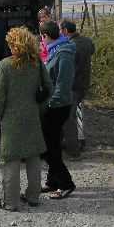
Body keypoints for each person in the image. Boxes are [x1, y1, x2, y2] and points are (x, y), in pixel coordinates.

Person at [0, 27, 53, 211]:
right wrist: (40, 107)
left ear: (15, 44)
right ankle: (33, 196)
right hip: (32, 115)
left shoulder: (5, 65)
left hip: (11, 118)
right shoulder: (37, 63)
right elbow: (49, 88)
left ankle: (11, 202)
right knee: (33, 156)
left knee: (11, 159)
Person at [40, 20, 76, 199]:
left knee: (48, 147)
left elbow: (63, 84)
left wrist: (49, 103)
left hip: (58, 106)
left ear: (45, 35)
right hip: (54, 104)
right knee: (52, 144)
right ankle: (52, 181)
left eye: (42, 37)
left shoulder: (64, 53)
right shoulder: (56, 50)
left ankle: (66, 183)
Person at [60, 20, 95, 155]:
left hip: (73, 85)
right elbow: (92, 51)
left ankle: (73, 150)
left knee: (69, 118)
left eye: (61, 30)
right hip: (84, 83)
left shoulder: (70, 46)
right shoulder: (87, 41)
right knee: (73, 114)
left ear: (65, 31)